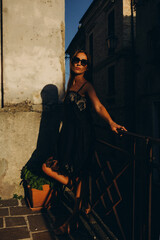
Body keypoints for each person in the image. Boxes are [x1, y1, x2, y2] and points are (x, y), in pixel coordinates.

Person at [42, 50, 127, 234]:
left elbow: (98, 106)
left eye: (83, 62)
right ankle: (79, 193)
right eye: (76, 60)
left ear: (87, 67)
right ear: (71, 62)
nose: (79, 63)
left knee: (79, 175)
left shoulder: (87, 86)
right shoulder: (70, 84)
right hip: (67, 136)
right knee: (47, 167)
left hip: (83, 136)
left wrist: (111, 122)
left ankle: (72, 222)